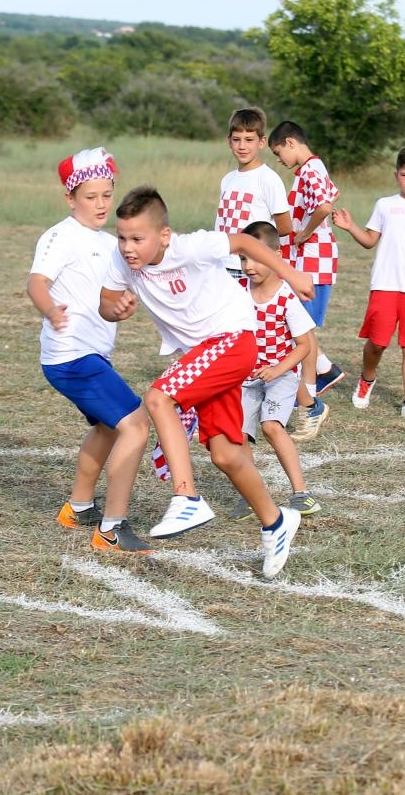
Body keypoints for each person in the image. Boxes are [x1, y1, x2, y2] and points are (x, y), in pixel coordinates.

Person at [100, 186, 315, 579]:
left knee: (159, 398)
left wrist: (292, 273)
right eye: (122, 238)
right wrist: (116, 309)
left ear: (164, 235)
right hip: (205, 356)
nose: (128, 248)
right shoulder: (121, 260)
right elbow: (106, 302)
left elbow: (244, 241)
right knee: (226, 455)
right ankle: (276, 522)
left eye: (137, 239)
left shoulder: (190, 247)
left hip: (232, 339)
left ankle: (187, 497)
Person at [26, 147, 152, 552]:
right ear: (70, 198)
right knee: (135, 425)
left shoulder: (109, 243)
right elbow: (36, 283)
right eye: (90, 196)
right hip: (71, 356)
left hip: (90, 355)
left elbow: (107, 300)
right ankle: (112, 529)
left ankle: (78, 508)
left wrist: (121, 308)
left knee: (107, 426)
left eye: (106, 195)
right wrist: (50, 310)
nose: (100, 204)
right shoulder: (61, 236)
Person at [331, 146, 405, 418]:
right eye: (404, 175)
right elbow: (369, 241)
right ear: (396, 175)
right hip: (385, 285)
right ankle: (366, 380)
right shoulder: (385, 205)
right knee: (377, 342)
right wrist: (350, 227)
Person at [228, 221, 322, 521]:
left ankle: (301, 493)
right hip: (246, 378)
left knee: (271, 426)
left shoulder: (286, 297)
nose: (248, 266)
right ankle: (250, 495)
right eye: (243, 258)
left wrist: (277, 369)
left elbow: (304, 346)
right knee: (240, 434)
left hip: (281, 376)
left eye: (256, 258)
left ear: (275, 256)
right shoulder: (237, 292)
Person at [269, 120, 343, 441]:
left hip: (313, 260)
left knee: (302, 330)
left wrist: (304, 233)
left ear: (290, 142)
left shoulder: (312, 169)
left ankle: (310, 401)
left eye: (278, 153)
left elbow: (324, 205)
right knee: (300, 327)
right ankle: (323, 372)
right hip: (305, 260)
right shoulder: (308, 170)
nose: (279, 160)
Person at [216, 107, 292, 284]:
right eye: (236, 140)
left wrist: (262, 256)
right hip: (223, 265)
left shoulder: (268, 179)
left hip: (252, 267)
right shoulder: (227, 179)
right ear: (229, 141)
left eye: (249, 140)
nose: (242, 146)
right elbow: (221, 223)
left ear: (261, 142)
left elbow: (285, 227)